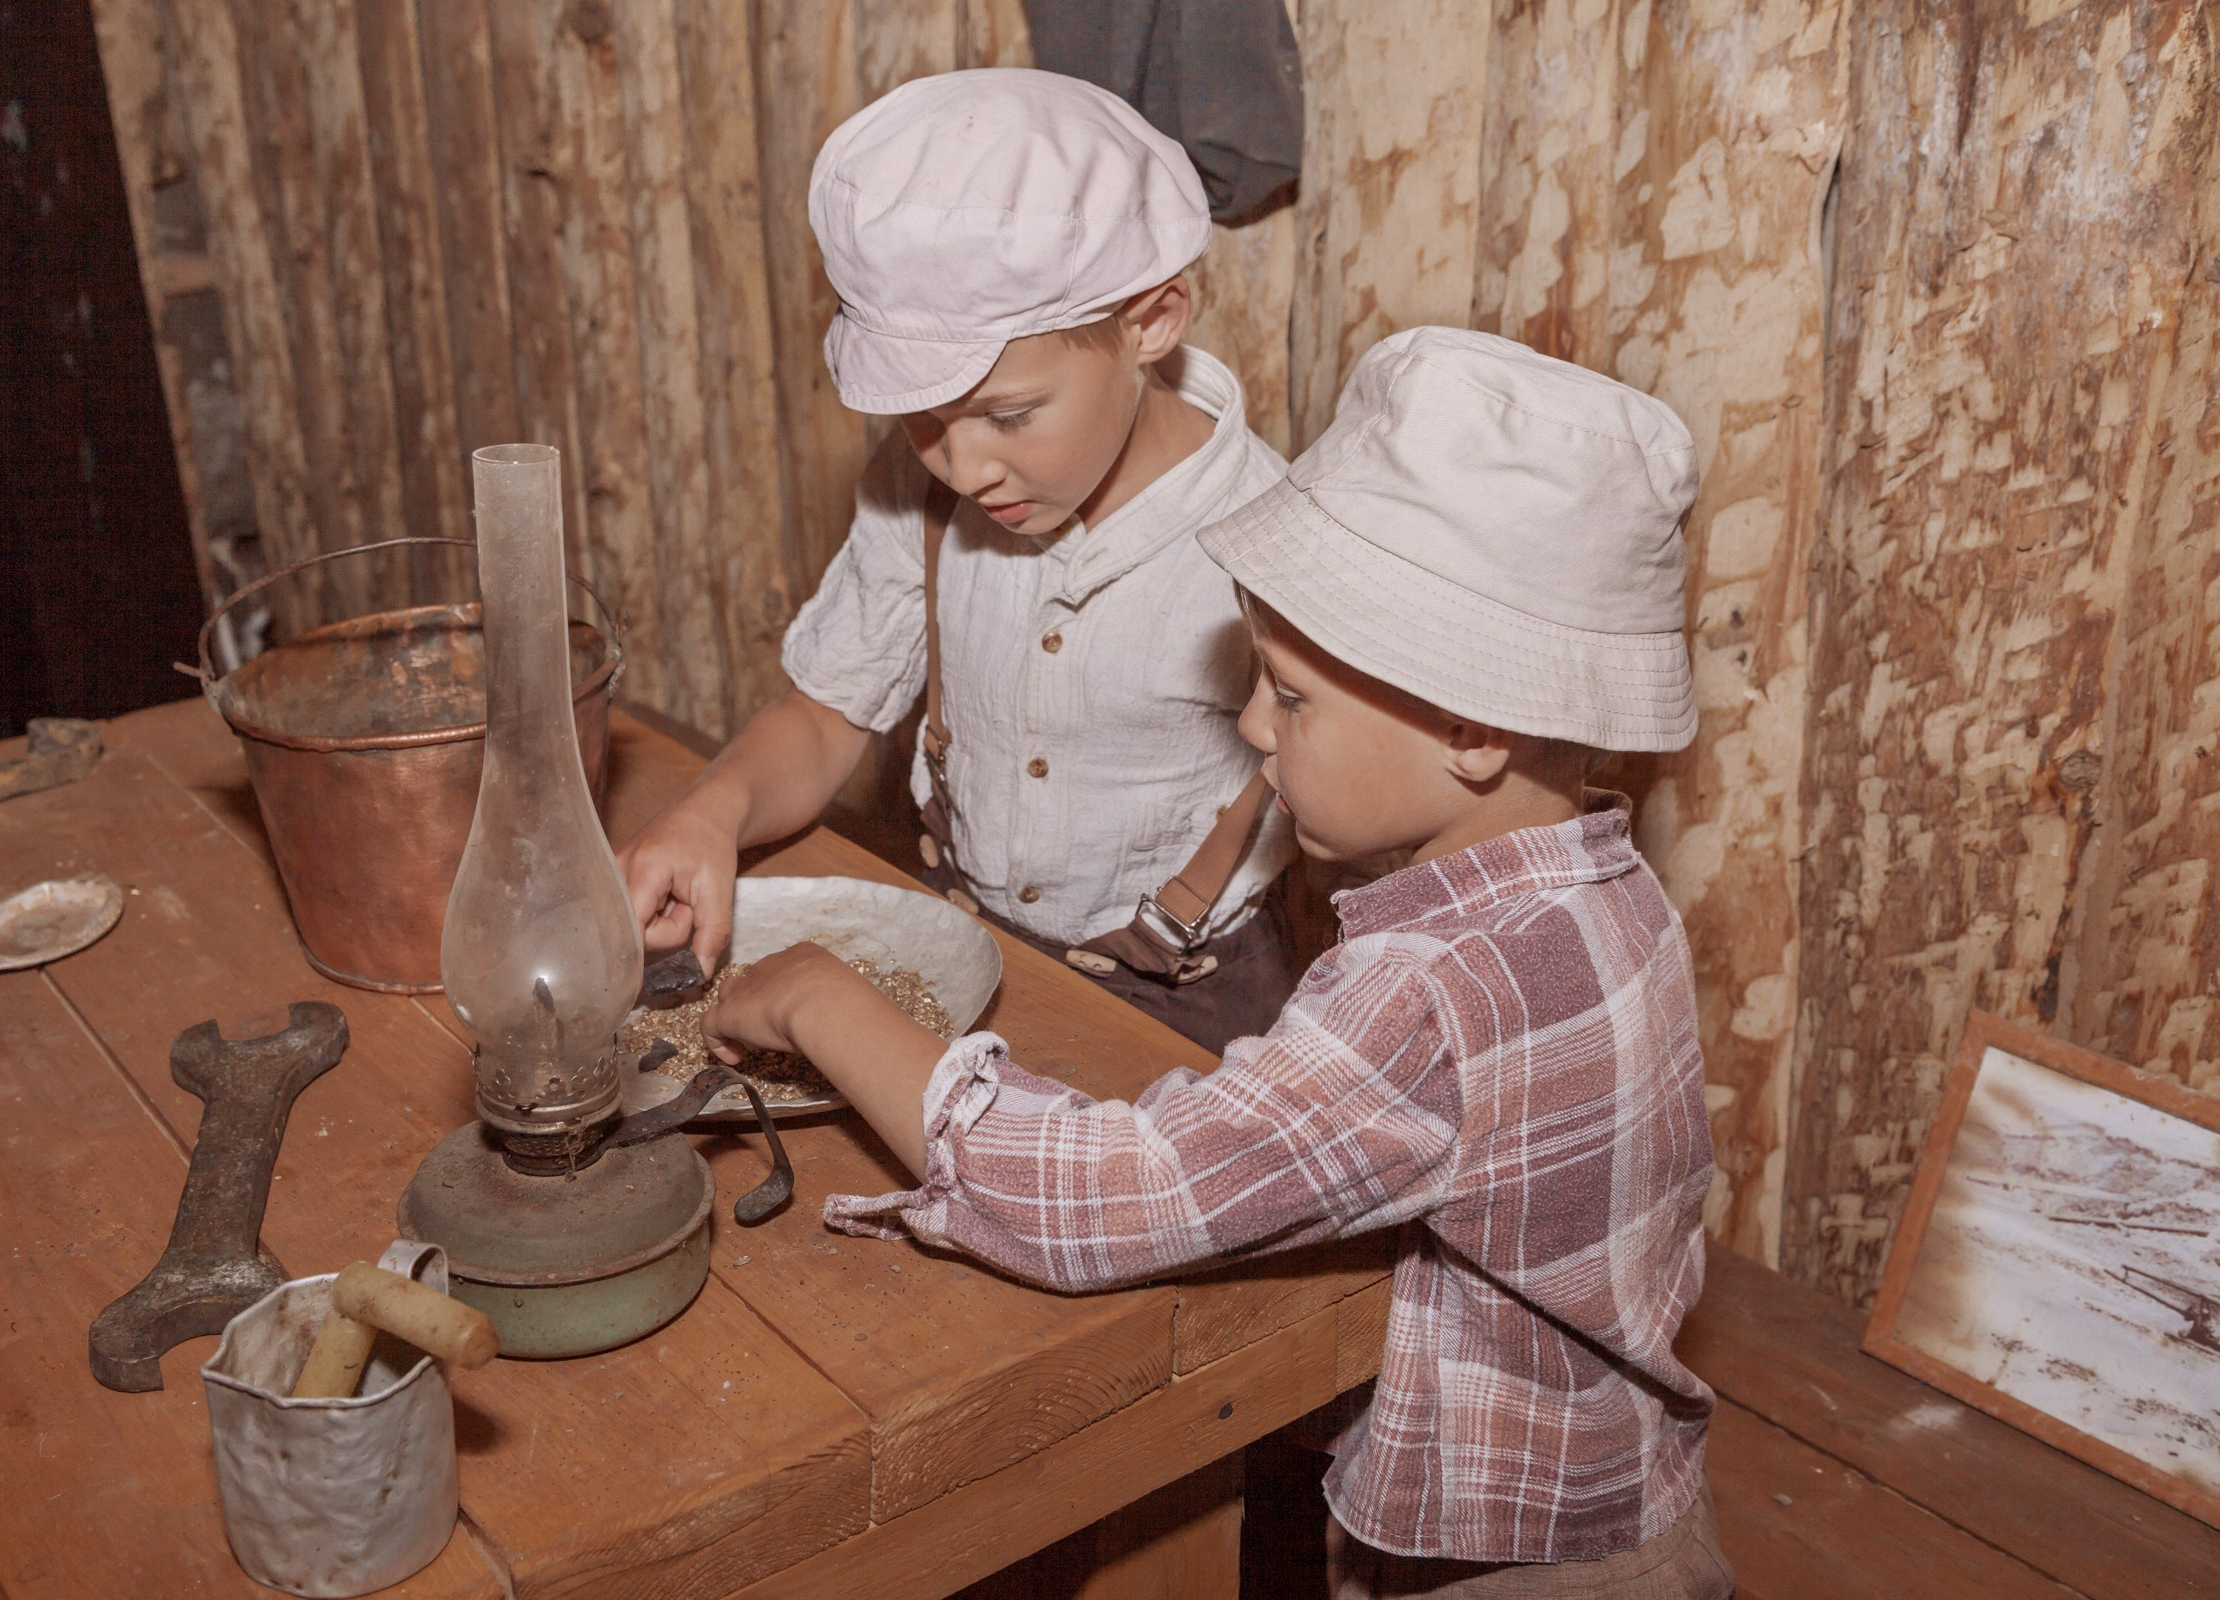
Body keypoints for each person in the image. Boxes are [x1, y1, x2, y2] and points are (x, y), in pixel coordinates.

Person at [699, 327, 1735, 1599]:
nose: (1251, 723)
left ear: (1474, 730)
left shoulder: (1425, 995)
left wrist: (817, 993)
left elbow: (1106, 1198)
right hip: (1627, 1501)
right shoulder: (1607, 894)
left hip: (1499, 1567)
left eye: (1291, 698)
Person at [617, 68, 1298, 1052]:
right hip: (964, 946)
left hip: (1193, 1006)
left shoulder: (1272, 542)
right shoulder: (923, 490)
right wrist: (710, 813)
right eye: (923, 420)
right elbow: (823, 715)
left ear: (1149, 324)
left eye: (1008, 415)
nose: (965, 465)